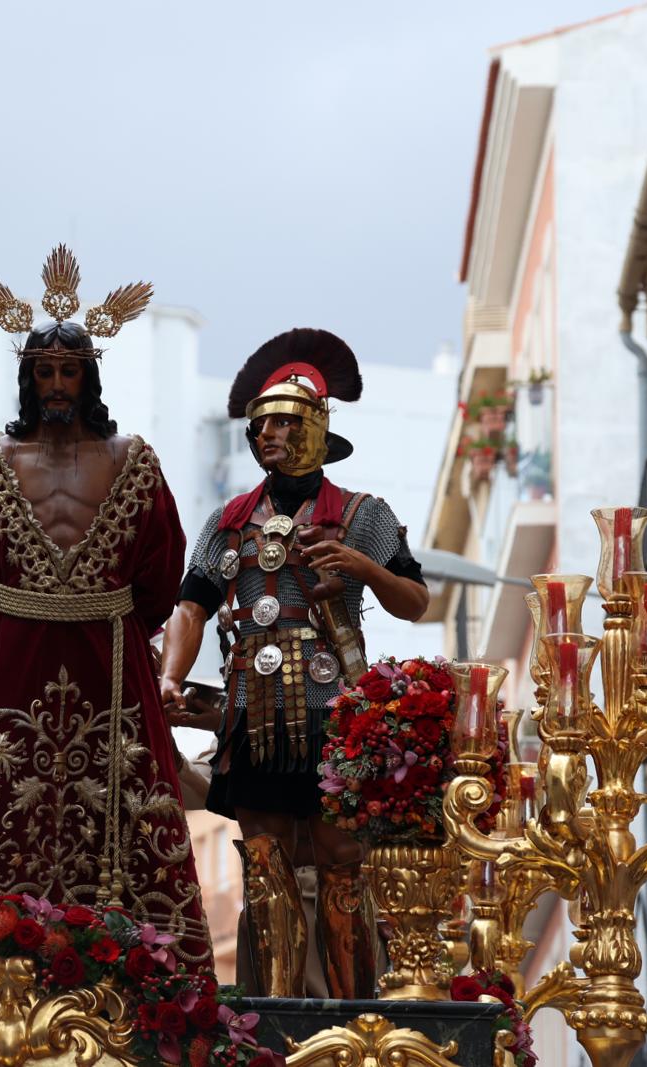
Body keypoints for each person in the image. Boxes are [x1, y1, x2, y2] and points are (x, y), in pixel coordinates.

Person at [0, 247, 210, 965]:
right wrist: (25, 609)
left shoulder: (134, 459)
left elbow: (160, 574)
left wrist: (102, 610)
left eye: (67, 370)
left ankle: (139, 971)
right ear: (26, 375)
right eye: (42, 370)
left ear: (89, 375)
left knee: (120, 816)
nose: (54, 383)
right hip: (12, 656)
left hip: (107, 657)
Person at [158, 328, 429, 998]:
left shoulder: (364, 514)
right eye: (259, 425)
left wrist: (363, 565)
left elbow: (416, 601)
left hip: (337, 711)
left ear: (314, 426)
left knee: (342, 860)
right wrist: (169, 673)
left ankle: (357, 1015)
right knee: (265, 863)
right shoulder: (228, 520)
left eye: (281, 421)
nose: (266, 435)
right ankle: (276, 1015)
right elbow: (191, 603)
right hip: (255, 705)